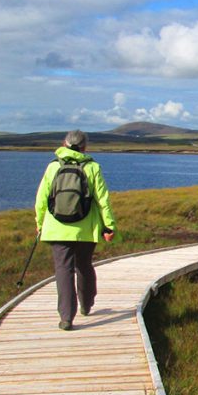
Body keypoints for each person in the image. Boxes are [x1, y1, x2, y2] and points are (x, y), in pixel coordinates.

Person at [35, 130, 117, 331]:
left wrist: (40, 223)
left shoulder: (53, 167)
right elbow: (102, 200)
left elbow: (41, 199)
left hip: (56, 228)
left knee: (63, 270)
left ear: (64, 143)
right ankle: (86, 304)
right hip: (86, 229)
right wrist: (109, 226)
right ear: (85, 147)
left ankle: (66, 317)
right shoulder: (92, 167)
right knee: (84, 266)